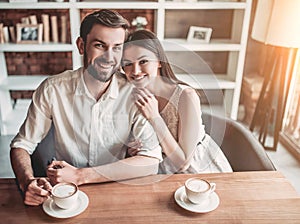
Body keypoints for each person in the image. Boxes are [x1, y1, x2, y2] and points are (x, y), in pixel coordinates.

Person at [10, 10, 162, 206]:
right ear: (81, 46)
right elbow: (21, 145)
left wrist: (81, 175)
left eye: (117, 48)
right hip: (65, 192)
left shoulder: (135, 93)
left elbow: (151, 162)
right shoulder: (52, 89)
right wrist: (27, 182)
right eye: (100, 45)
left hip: (114, 188)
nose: (109, 57)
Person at [122, 29, 232, 174]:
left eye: (143, 61)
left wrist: (154, 117)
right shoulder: (133, 95)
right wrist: (136, 148)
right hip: (161, 170)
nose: (135, 71)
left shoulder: (186, 96)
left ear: (159, 61)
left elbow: (183, 163)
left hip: (199, 170)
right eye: (128, 64)